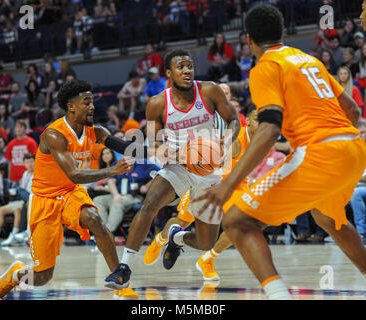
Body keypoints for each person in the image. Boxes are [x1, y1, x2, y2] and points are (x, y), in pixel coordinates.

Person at [192, 4, 366, 300]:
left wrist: (228, 185)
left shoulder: (265, 68)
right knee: (329, 219)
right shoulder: (309, 59)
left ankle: (279, 296)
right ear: (282, 33)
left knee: (235, 220)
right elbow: (351, 109)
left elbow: (270, 129)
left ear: (248, 40)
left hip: (319, 153)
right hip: (354, 149)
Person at [0, 80, 144, 300]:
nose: (92, 106)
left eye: (92, 102)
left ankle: (120, 281)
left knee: (94, 218)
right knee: (43, 276)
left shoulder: (95, 130)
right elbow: (75, 173)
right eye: (87, 102)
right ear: (71, 106)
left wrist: (165, 150)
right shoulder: (54, 135)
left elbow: (129, 148)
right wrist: (113, 170)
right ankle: (14, 275)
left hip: (70, 193)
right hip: (45, 199)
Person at [103, 49, 240, 290]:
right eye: (181, 67)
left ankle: (175, 237)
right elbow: (154, 142)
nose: (187, 70)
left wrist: (225, 143)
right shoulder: (157, 103)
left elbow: (233, 119)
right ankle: (124, 268)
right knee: (149, 204)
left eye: (190, 66)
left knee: (206, 242)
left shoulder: (208, 90)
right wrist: (165, 150)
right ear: (169, 73)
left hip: (209, 168)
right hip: (178, 165)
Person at [143, 105, 257, 281]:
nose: (264, 123)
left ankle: (207, 260)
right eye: (259, 119)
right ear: (247, 121)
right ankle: (161, 239)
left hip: (237, 186)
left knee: (243, 224)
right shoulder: (235, 138)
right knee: (183, 220)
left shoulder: (265, 141)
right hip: (210, 183)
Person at [93, 158, 159, 235]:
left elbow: (159, 174)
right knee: (98, 200)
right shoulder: (119, 164)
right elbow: (111, 181)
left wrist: (147, 186)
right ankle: (102, 230)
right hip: (117, 194)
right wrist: (115, 194)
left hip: (134, 196)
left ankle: (108, 233)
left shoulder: (144, 164)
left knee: (118, 203)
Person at [0, 153, 34, 247]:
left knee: (18, 209)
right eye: (27, 162)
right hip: (21, 199)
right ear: (24, 164)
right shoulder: (25, 173)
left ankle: (14, 235)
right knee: (1, 210)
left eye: (31, 161)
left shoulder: (37, 174)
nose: (30, 164)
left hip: (31, 200)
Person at [349, 122, 366, 240]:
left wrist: (352, 178)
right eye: (359, 133)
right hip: (350, 186)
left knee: (356, 194)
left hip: (362, 187)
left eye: (364, 132)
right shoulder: (350, 151)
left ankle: (361, 232)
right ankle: (337, 232)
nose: (362, 135)